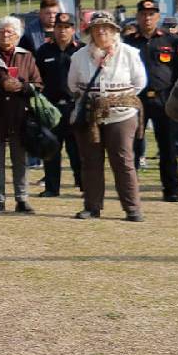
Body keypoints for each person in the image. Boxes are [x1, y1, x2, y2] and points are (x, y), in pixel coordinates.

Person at [68, 11, 147, 221]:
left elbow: (140, 82)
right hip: (89, 115)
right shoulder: (79, 56)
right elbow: (72, 84)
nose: (102, 31)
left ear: (114, 31)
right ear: (90, 32)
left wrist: (114, 100)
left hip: (122, 114)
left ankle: (132, 208)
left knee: (123, 160)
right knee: (90, 161)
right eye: (97, 28)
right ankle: (92, 206)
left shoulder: (129, 53)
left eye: (107, 27)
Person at [0, 16, 43, 214]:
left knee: (20, 160)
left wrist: (23, 86)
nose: (6, 35)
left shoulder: (27, 57)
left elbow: (38, 85)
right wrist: (1, 85)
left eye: (10, 32)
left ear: (17, 36)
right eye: (2, 31)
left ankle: (22, 199)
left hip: (20, 115)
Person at [126, 0, 178, 202]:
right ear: (138, 16)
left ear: (158, 17)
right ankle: (129, 190)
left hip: (164, 99)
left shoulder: (172, 40)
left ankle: (171, 190)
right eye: (143, 14)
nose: (147, 18)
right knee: (132, 147)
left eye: (151, 14)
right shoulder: (129, 42)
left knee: (168, 147)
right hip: (136, 100)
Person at [34, 12, 83, 197]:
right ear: (53, 30)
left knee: (76, 149)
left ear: (73, 29)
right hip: (51, 108)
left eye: (66, 27)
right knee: (51, 148)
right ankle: (52, 187)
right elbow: (37, 78)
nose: (63, 31)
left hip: (74, 106)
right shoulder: (44, 51)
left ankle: (83, 184)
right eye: (59, 27)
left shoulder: (81, 50)